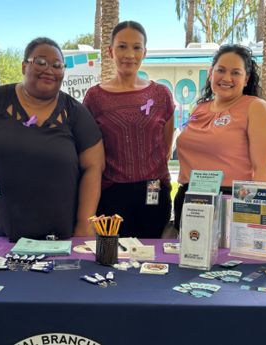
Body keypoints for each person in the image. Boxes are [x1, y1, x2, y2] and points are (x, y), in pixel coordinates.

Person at [0, 37, 105, 241]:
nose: (49, 70)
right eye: (41, 62)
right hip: (0, 232)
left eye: (57, 65)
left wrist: (84, 226)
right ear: (24, 65)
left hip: (63, 236)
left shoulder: (76, 113)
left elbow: (94, 167)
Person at [83, 21, 175, 238]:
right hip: (111, 195)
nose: (129, 54)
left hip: (154, 192)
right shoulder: (94, 98)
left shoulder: (162, 94)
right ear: (110, 51)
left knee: (151, 258)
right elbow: (89, 152)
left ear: (144, 52)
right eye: (122, 46)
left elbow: (165, 148)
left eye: (136, 47)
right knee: (115, 259)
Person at [174, 44, 266, 228]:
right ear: (211, 73)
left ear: (246, 78)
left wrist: (252, 218)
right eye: (221, 70)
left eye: (236, 73)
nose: (227, 78)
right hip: (187, 198)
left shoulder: (255, 108)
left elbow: (265, 168)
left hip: (229, 203)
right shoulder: (199, 109)